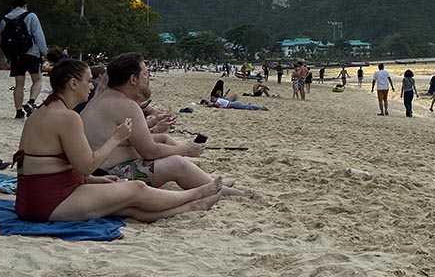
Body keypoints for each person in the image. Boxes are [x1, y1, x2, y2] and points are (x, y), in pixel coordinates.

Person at [14, 59, 225, 222]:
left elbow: (50, 163)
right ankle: (196, 193)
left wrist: (92, 181)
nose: (92, 86)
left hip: (30, 198)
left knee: (128, 207)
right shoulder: (67, 117)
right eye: (88, 81)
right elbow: (87, 165)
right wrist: (116, 138)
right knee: (136, 190)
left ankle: (193, 206)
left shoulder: (42, 112)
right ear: (73, 83)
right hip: (48, 201)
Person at [82, 53, 246, 196]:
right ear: (133, 79)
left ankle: (209, 180)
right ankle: (221, 190)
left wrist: (154, 128)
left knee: (163, 139)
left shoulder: (106, 99)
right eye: (145, 74)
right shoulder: (125, 105)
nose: (148, 79)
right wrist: (186, 150)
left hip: (100, 169)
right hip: (107, 174)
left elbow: (133, 141)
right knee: (176, 163)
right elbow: (149, 151)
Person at [1, 0, 48, 119]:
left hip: (16, 55)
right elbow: (38, 34)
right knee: (37, 80)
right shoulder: (31, 16)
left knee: (19, 84)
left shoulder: (5, 19)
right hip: (31, 52)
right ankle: (31, 102)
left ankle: (18, 111)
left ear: (12, 7)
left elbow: (3, 38)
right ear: (25, 5)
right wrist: (44, 51)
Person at [203, 97, 268, 111]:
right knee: (246, 107)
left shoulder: (218, 100)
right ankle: (259, 108)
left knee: (246, 107)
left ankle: (261, 108)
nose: (212, 100)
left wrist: (210, 104)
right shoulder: (219, 99)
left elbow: (216, 104)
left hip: (233, 104)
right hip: (233, 104)